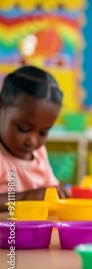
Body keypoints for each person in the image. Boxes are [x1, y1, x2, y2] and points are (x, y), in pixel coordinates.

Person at [0, 65, 64, 210]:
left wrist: (58, 192)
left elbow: (50, 188)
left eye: (43, 133)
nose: (32, 141)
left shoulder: (39, 153)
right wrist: (26, 197)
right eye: (24, 129)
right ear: (1, 106)